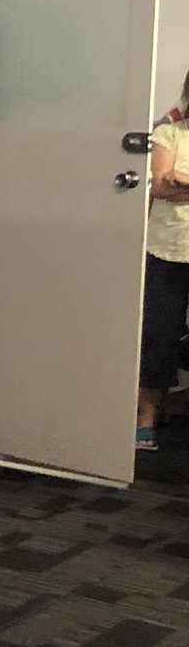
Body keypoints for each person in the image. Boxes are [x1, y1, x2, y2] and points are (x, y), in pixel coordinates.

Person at [138, 73, 189, 451]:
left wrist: (182, 179)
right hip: (167, 250)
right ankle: (146, 418)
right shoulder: (168, 132)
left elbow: (173, 182)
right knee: (159, 335)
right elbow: (160, 185)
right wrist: (170, 181)